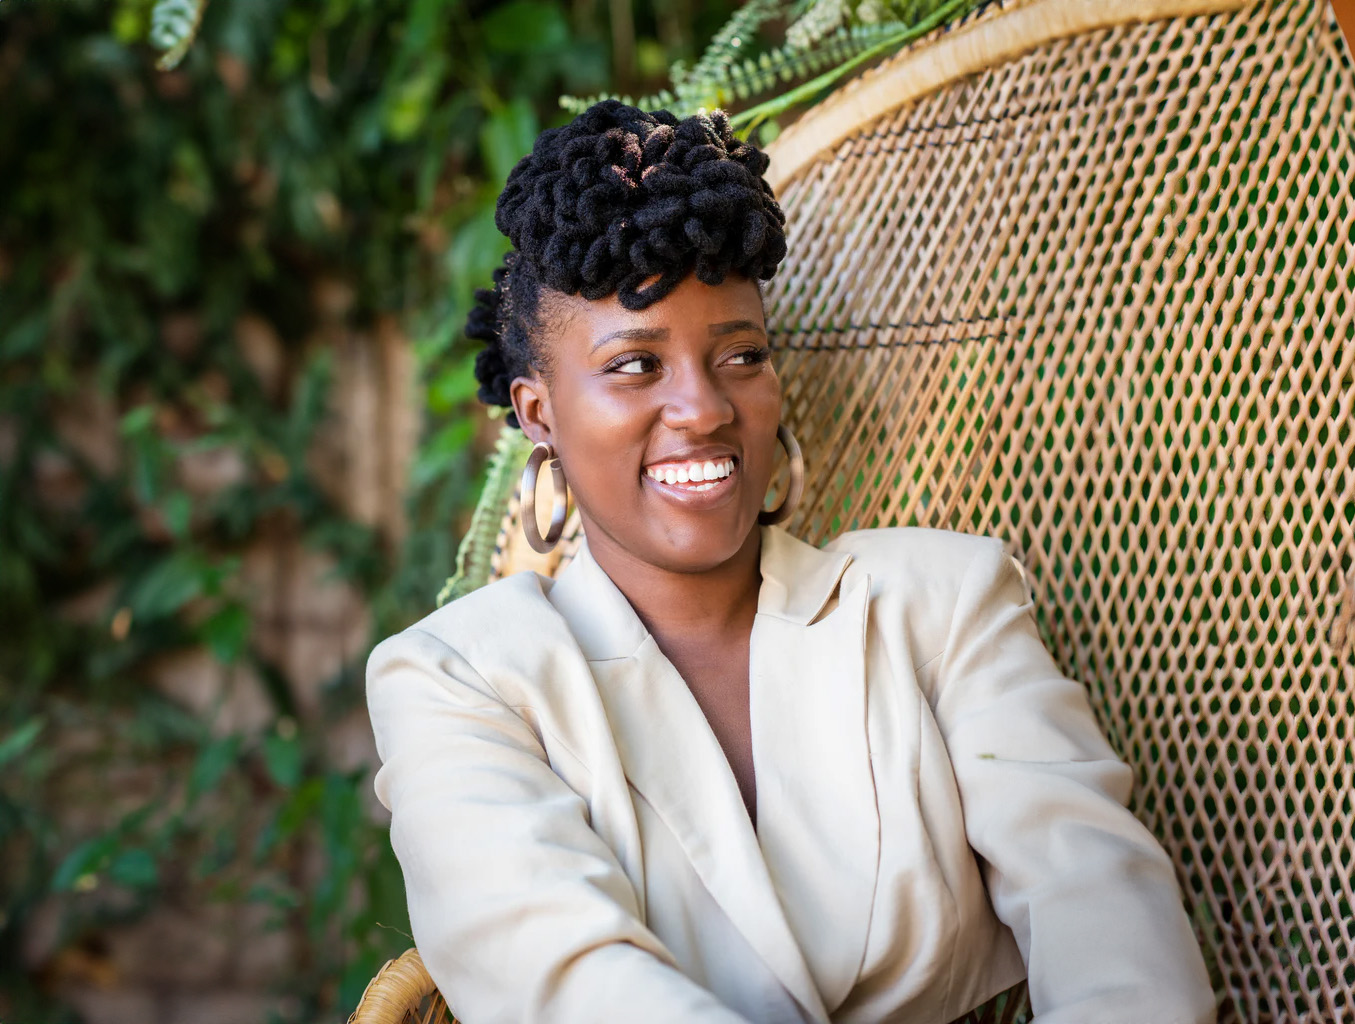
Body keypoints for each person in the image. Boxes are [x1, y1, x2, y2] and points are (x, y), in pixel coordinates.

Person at [365, 100, 1216, 1024]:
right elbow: (575, 987)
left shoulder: (941, 604)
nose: (702, 408)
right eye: (636, 366)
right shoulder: (458, 680)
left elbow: (1106, 921)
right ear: (537, 414)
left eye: (739, 354)